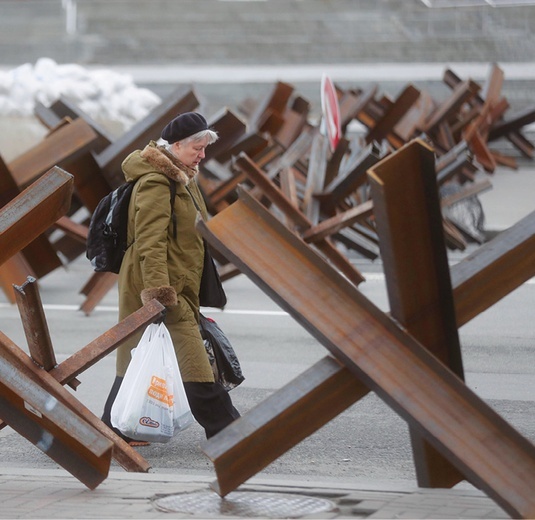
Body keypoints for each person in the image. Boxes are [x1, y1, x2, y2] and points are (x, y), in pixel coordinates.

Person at [101, 112, 240, 443]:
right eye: (197, 147)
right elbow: (151, 241)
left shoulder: (181, 177)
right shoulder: (156, 182)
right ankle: (226, 427)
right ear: (176, 145)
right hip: (159, 283)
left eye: (205, 147)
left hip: (178, 281)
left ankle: (111, 426)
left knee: (139, 353)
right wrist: (158, 294)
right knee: (190, 354)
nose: (202, 154)